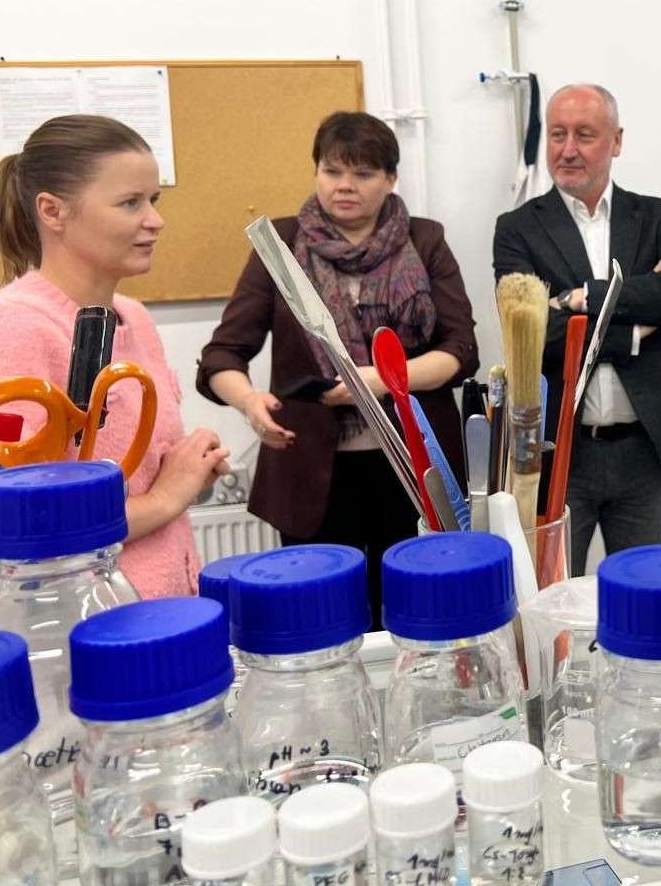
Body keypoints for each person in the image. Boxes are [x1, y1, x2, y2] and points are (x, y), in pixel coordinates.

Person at [198, 111, 478, 624]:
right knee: (323, 620)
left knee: (416, 614)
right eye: (332, 171)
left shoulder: (425, 239)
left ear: (390, 179)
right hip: (310, 468)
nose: (344, 185)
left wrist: (380, 382)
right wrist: (250, 403)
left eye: (363, 174)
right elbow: (222, 355)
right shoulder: (280, 244)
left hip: (414, 462)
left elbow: (460, 350)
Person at [0, 115, 228, 598]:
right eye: (130, 202)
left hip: (158, 610)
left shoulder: (133, 318)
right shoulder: (12, 331)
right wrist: (166, 496)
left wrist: (188, 472)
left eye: (153, 200)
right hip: (79, 622)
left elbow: (130, 478)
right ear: (52, 211)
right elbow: (22, 526)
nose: (155, 220)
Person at [492, 84, 661, 576]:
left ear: (616, 141)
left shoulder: (658, 215)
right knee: (554, 594)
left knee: (644, 589)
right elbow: (534, 334)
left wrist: (578, 297)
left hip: (644, 447)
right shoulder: (517, 228)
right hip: (561, 453)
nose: (567, 149)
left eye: (584, 135)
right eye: (557, 134)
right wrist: (632, 332)